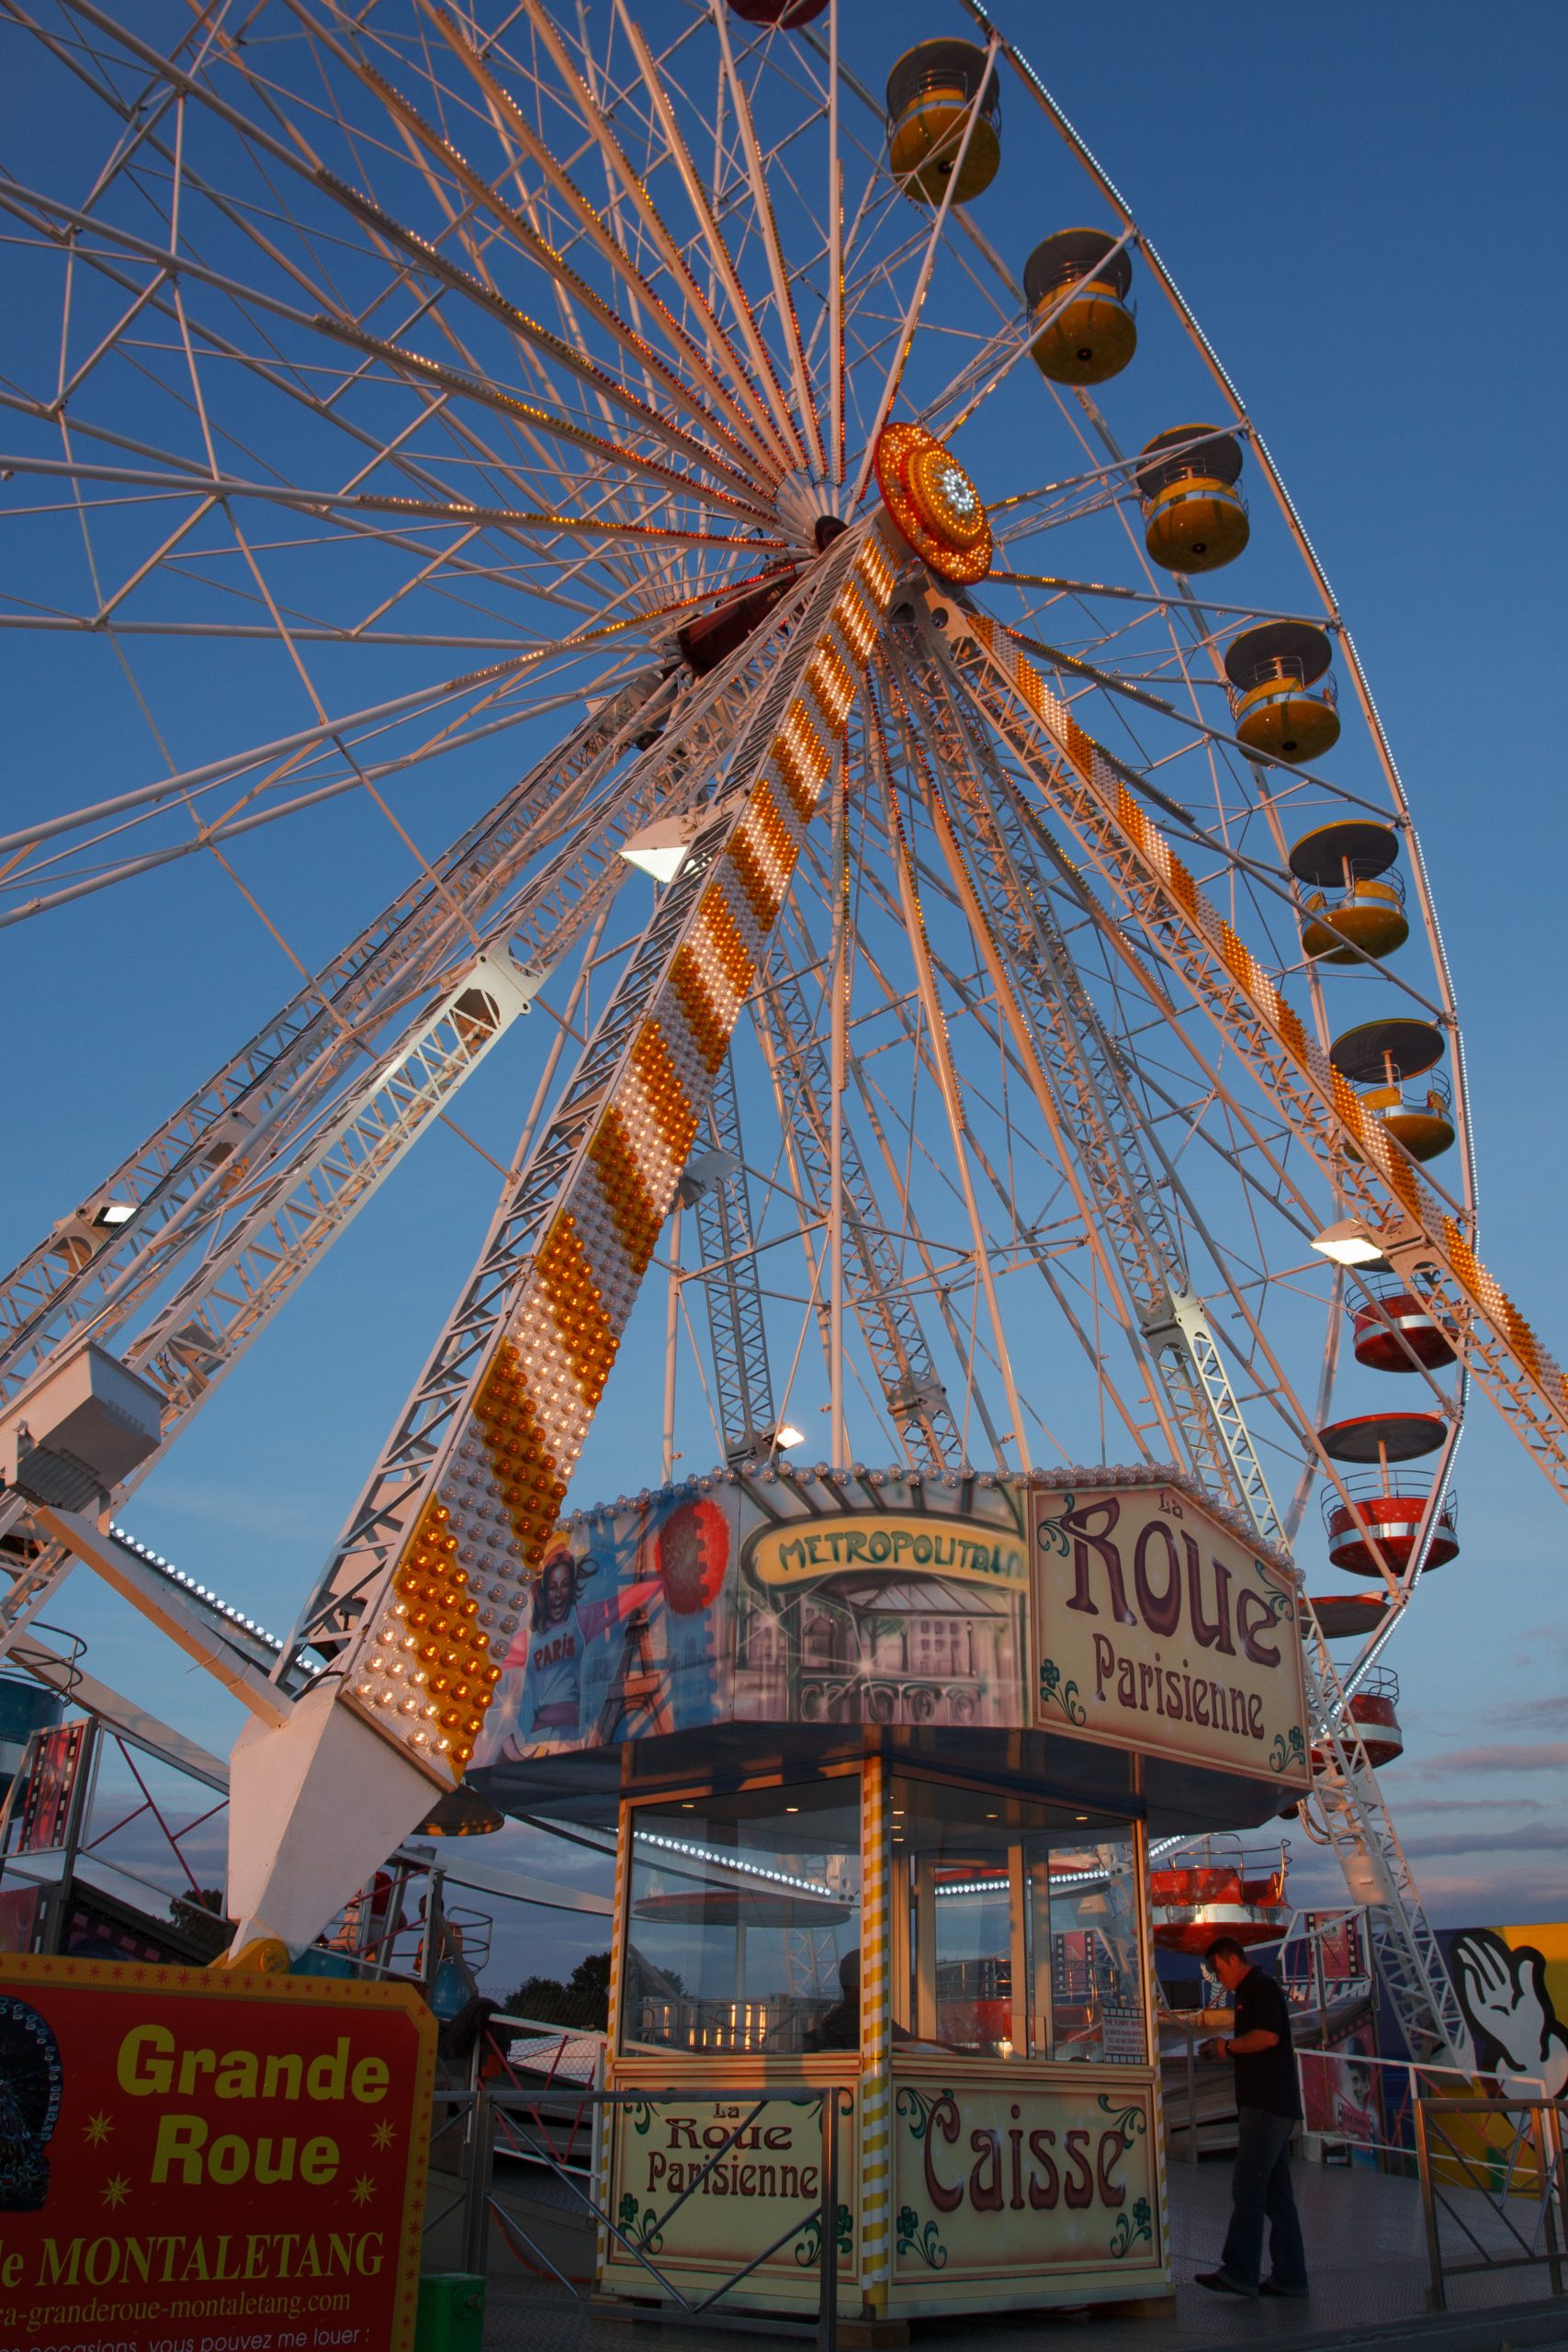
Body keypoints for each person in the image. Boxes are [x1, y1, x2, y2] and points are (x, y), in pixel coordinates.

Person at [1195, 1935, 1309, 2301]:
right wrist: (1226, 2047)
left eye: (1216, 1971)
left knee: (1248, 2186)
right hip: (1274, 2104)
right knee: (1277, 2196)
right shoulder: (1253, 1992)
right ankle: (1290, 2277)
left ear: (1231, 1961)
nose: (1217, 1979)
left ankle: (1240, 2271)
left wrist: (1227, 2047)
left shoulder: (1258, 1989)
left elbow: (1268, 2037)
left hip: (1266, 2106)